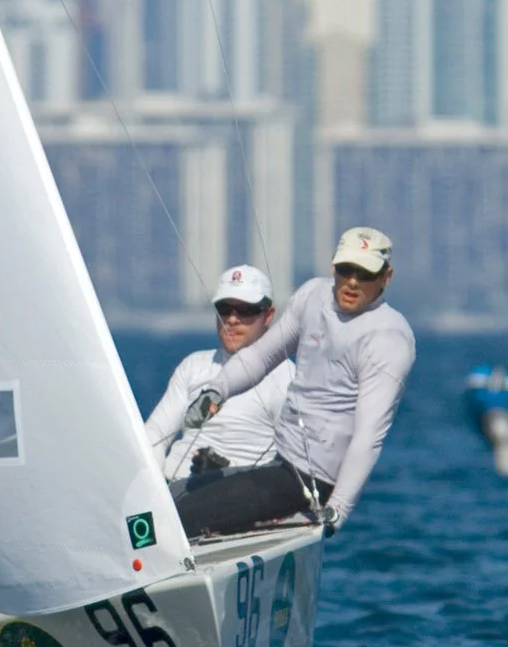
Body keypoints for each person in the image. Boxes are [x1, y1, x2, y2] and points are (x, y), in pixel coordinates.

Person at [146, 226, 417, 535]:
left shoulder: (389, 338)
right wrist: (217, 391)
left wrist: (338, 510)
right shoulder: (313, 295)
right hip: (280, 465)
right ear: (334, 266)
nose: (353, 281)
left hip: (311, 483)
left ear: (386, 277)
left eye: (365, 273)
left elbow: (368, 437)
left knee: (175, 517)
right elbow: (262, 355)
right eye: (346, 269)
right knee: (167, 498)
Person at [140, 265, 295, 484]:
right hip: (170, 492)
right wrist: (152, 489)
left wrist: (223, 480)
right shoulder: (194, 365)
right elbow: (155, 433)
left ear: (268, 314)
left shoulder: (286, 377)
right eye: (224, 309)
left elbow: (293, 462)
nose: (232, 319)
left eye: (245, 310)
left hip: (237, 501)